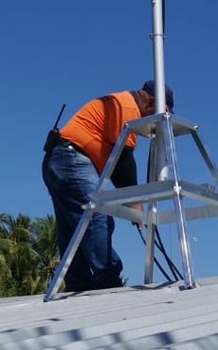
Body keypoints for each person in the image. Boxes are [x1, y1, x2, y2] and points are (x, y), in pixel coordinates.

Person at [42, 79, 175, 292]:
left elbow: (114, 162)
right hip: (71, 157)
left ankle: (78, 282)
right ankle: (108, 276)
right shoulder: (127, 107)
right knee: (98, 214)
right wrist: (135, 203)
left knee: (74, 225)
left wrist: (130, 200)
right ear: (151, 104)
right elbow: (123, 162)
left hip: (58, 159)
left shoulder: (120, 103)